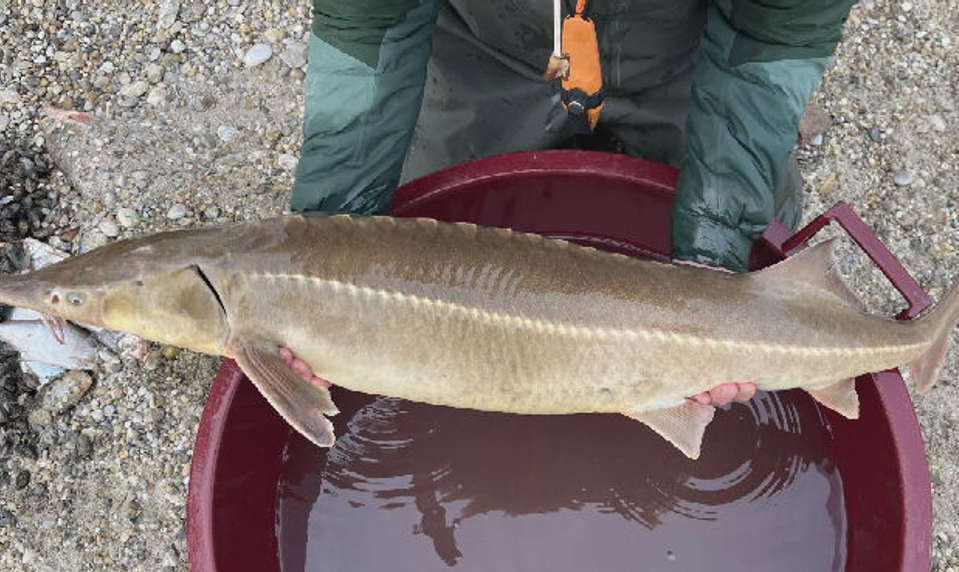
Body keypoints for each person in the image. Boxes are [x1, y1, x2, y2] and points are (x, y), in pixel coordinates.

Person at [281, 0, 857, 406]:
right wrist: (324, 246)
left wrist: (715, 245)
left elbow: (772, 33)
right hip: (493, 47)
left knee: (752, 230)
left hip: (695, 53)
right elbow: (370, 22)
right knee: (431, 218)